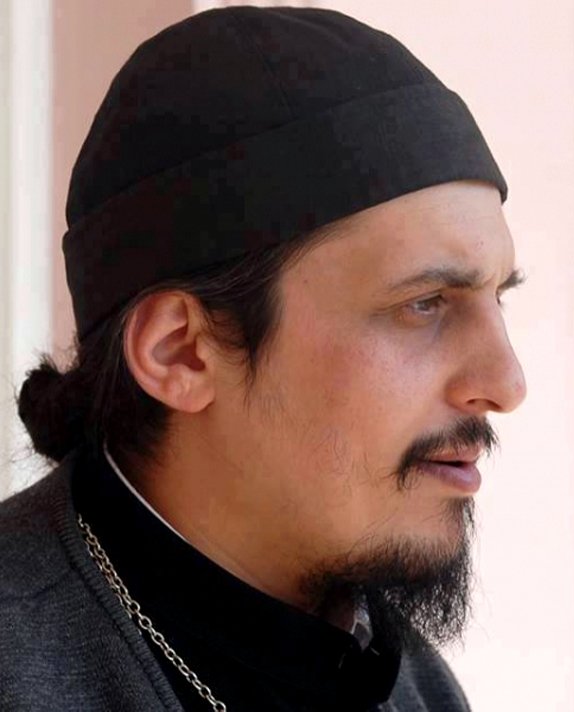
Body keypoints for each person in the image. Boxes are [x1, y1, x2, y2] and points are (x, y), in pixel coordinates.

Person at [0, 6, 526, 712]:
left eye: (499, 297)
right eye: (424, 303)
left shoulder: (408, 684)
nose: (506, 384)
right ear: (181, 352)